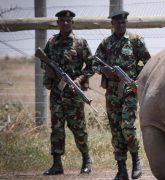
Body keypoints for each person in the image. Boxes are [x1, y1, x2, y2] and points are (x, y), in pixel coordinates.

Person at [93, 10, 151, 180]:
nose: (121, 25)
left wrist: (138, 80)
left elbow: (147, 61)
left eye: (123, 23)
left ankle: (136, 161)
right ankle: (121, 170)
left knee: (127, 126)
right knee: (116, 130)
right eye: (117, 23)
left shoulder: (135, 40)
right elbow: (94, 63)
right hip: (112, 93)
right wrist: (104, 71)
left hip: (129, 90)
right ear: (112, 24)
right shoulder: (106, 43)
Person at [42, 10, 94, 175]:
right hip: (57, 93)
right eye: (62, 21)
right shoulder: (51, 43)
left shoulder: (80, 43)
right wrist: (48, 69)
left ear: (72, 23)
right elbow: (44, 62)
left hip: (73, 93)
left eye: (68, 21)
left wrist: (79, 79)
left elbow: (92, 66)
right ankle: (57, 164)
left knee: (78, 128)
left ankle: (86, 160)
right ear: (58, 23)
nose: (65, 23)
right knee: (57, 128)